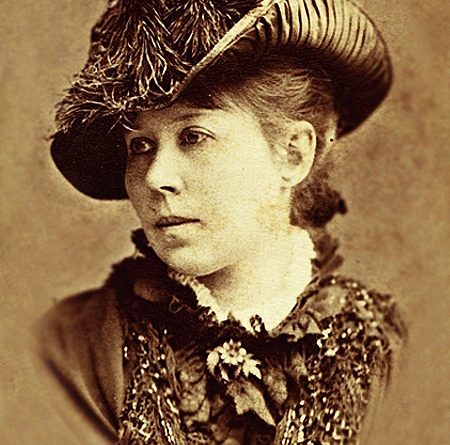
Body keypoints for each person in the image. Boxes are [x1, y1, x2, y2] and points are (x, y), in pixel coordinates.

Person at [36, 0, 406, 444]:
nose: (155, 177)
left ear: (293, 154)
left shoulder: (391, 348)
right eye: (140, 146)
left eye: (193, 136)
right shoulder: (69, 352)